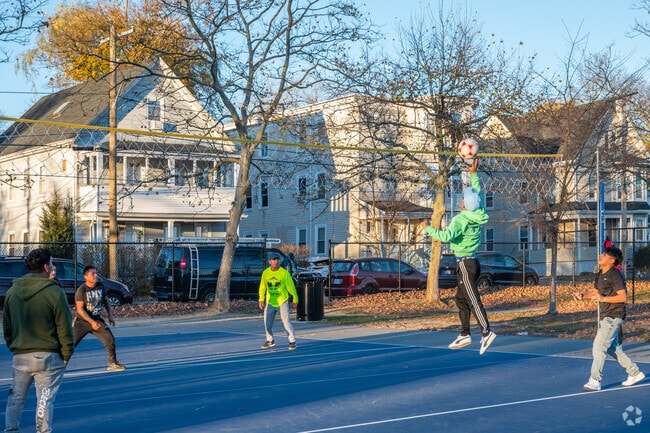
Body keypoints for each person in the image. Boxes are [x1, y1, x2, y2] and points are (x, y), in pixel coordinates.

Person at [420, 158, 496, 355]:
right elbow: (477, 192)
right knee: (460, 299)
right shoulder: (479, 212)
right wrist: (473, 173)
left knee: (472, 298)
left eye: (463, 198)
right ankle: (464, 333)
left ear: (463, 205)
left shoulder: (460, 220)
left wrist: (427, 229)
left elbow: (445, 236)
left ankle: (487, 332)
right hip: (472, 261)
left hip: (465, 264)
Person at [3, 248, 74, 433]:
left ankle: (11, 429)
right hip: (48, 356)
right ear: (45, 267)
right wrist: (67, 352)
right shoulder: (55, 292)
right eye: (52, 263)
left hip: (20, 354)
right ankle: (42, 431)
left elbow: (7, 325)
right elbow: (64, 326)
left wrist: (14, 345)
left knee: (16, 398)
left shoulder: (13, 291)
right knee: (44, 398)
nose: (54, 267)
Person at [572, 246, 645, 391]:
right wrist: (582, 295)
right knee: (612, 348)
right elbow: (595, 293)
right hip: (606, 315)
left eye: (604, 255)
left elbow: (622, 297)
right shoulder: (600, 274)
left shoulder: (615, 275)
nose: (600, 255)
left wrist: (603, 299)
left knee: (599, 347)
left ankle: (595, 380)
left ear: (611, 260)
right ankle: (634, 372)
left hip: (614, 315)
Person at [73, 265, 126, 371]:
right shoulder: (81, 290)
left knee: (109, 338)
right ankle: (58, 365)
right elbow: (80, 310)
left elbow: (106, 301)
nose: (95, 275)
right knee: (69, 344)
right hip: (82, 322)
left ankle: (112, 363)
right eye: (93, 273)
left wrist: (110, 315)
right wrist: (91, 321)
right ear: (86, 277)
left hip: (96, 320)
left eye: (96, 273)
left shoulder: (100, 286)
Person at [259, 252, 299, 350]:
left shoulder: (284, 273)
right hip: (270, 302)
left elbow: (291, 286)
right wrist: (261, 298)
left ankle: (292, 341)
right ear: (270, 262)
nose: (276, 261)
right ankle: (270, 340)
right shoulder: (266, 273)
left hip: (282, 301)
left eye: (277, 259)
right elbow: (263, 286)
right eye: (274, 260)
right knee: (267, 323)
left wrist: (295, 298)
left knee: (286, 322)